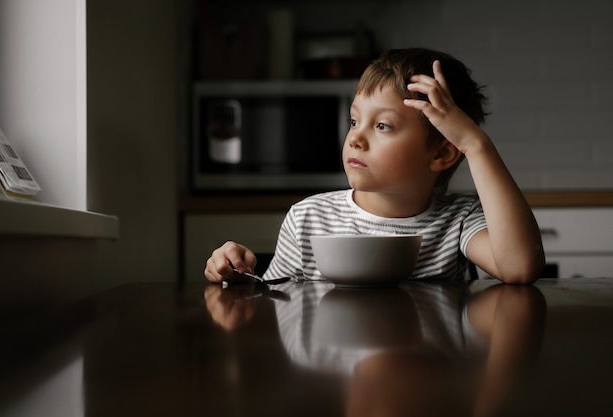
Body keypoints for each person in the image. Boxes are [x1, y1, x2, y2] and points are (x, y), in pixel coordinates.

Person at [204, 48, 545, 285]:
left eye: (382, 126)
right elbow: (273, 300)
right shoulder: (308, 218)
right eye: (354, 121)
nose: (356, 138)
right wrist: (236, 274)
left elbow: (518, 268)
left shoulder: (457, 221)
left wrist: (475, 144)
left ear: (442, 154)